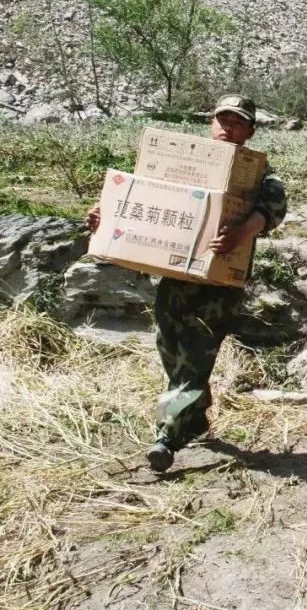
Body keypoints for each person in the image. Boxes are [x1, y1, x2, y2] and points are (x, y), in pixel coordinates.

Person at [86, 95, 288, 472]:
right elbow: (146, 198)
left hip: (219, 286)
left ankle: (168, 436)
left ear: (250, 131)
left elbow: (273, 210)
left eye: (237, 122)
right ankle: (194, 418)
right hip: (175, 278)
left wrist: (241, 233)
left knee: (195, 359)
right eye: (222, 119)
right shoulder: (183, 165)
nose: (227, 127)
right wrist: (106, 216)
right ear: (211, 123)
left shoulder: (258, 172)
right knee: (168, 346)